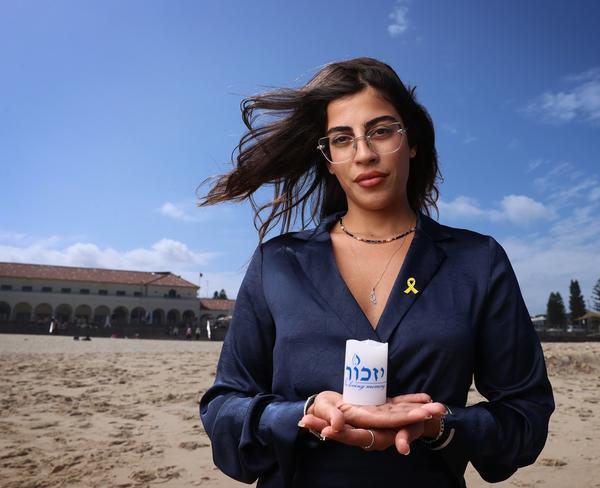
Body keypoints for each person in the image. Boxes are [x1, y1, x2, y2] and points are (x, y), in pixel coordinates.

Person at [199, 58, 554, 488]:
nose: (364, 153)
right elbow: (223, 410)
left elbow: (525, 413)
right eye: (342, 139)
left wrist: (438, 424)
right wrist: (302, 413)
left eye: (381, 131)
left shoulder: (477, 261)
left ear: (413, 142)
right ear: (328, 159)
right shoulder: (279, 262)